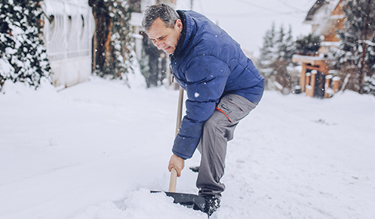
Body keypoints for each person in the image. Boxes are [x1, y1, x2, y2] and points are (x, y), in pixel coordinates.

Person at [142, 4, 265, 215]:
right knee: (201, 123)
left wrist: (179, 154)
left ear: (178, 25)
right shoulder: (185, 26)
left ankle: (211, 193)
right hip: (218, 82)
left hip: (244, 90)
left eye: (162, 38)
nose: (159, 45)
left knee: (212, 123)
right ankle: (211, 160)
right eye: (153, 40)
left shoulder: (204, 55)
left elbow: (199, 110)